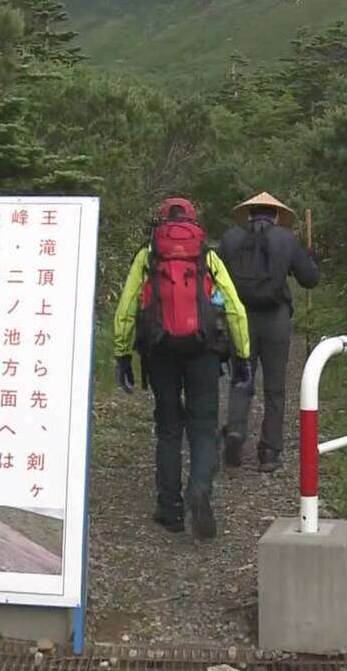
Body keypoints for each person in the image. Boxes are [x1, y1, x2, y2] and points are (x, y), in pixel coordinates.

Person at [113, 198, 252, 539]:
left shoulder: (148, 257)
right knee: (204, 427)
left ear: (160, 222)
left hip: (159, 351)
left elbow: (128, 306)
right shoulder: (207, 257)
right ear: (194, 221)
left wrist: (122, 354)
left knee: (169, 428)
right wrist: (243, 356)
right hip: (203, 350)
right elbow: (234, 307)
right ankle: (200, 487)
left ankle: (170, 509)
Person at [217, 192, 319, 472]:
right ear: (276, 215)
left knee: (241, 378)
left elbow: (214, 279)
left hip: (240, 317)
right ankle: (270, 452)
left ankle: (236, 430)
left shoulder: (230, 239)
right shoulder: (287, 239)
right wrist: (309, 258)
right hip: (276, 318)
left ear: (249, 214)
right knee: (275, 387)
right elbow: (309, 280)